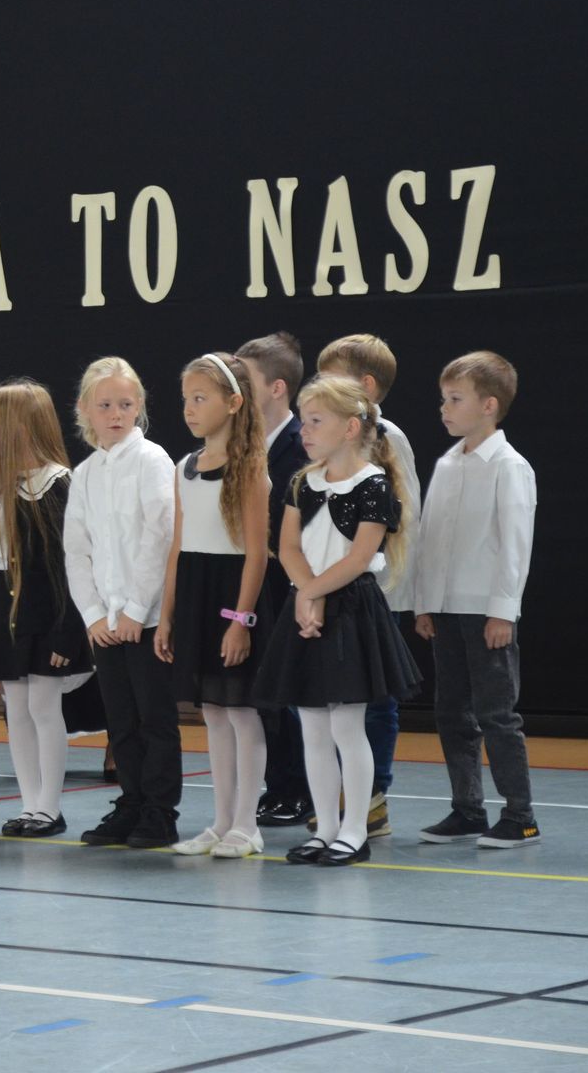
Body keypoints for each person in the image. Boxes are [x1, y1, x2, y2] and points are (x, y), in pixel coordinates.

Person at [252, 376, 422, 866]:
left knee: (348, 726)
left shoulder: (374, 485)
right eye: (304, 421)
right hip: (305, 604)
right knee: (312, 728)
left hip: (350, 611)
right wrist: (306, 594)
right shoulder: (302, 482)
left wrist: (312, 593)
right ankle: (325, 828)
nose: (303, 430)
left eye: (314, 421)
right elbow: (286, 547)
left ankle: (354, 830)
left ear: (350, 428)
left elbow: (359, 556)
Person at [414, 351, 540, 849]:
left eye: (455, 399)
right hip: (447, 611)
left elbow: (515, 545)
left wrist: (502, 611)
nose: (444, 408)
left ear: (489, 405)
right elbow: (430, 537)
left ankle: (520, 815)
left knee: (496, 715)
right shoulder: (448, 463)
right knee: (452, 713)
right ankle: (467, 809)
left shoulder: (510, 467)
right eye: (443, 399)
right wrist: (426, 602)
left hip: (486, 611)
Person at [155, 353, 270, 859]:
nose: (189, 408)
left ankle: (248, 823)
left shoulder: (250, 468)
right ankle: (222, 821)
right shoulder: (184, 468)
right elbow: (178, 548)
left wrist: (241, 620)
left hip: (232, 594)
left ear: (234, 403)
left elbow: (256, 554)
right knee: (214, 714)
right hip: (196, 593)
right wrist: (167, 615)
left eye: (200, 398)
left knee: (241, 711)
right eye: (186, 399)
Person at [63, 357, 180, 848]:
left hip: (145, 619)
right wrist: (94, 615)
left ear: (139, 407)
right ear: (86, 410)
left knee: (155, 719)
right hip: (106, 623)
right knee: (121, 721)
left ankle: (160, 811)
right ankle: (131, 802)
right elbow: (76, 549)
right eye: (105, 405)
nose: (116, 414)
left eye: (126, 405)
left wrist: (135, 609)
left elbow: (161, 537)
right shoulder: (86, 472)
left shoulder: (152, 460)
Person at [0, 379, 92, 839]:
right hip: (8, 614)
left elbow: (71, 566)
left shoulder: (56, 487)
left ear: (17, 430)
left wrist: (68, 632)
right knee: (17, 708)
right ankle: (29, 803)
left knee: (43, 706)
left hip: (46, 615)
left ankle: (49, 807)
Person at [316, 334, 421, 837]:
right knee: (335, 699)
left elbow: (405, 517)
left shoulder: (387, 437)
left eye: (331, 378)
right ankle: (342, 793)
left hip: (375, 590)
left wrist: (382, 580)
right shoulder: (328, 439)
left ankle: (373, 797)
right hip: (335, 587)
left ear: (367, 386)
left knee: (374, 700)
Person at [234, 332, 313, 828]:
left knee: (285, 694)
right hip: (253, 585)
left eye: (246, 379)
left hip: (289, 586)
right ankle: (278, 784)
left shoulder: (301, 445)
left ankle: (297, 789)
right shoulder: (243, 445)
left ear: (277, 387)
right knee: (257, 692)